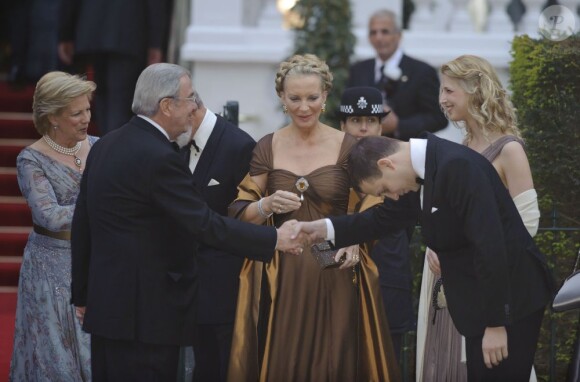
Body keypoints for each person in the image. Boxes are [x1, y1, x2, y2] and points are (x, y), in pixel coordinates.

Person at [70, 63, 304, 381]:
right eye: (189, 98)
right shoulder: (160, 157)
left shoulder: (106, 145)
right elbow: (204, 223)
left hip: (107, 310)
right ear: (167, 105)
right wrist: (274, 239)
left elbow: (84, 225)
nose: (195, 106)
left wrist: (82, 294)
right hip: (148, 316)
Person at [294, 133, 555, 381]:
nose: (390, 196)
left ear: (387, 164)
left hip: (512, 300)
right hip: (483, 303)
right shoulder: (419, 169)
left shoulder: (456, 166)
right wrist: (323, 229)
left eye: (383, 189)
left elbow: (490, 244)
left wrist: (497, 323)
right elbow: (385, 218)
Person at [227, 54, 400, 382]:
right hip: (281, 274)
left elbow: (377, 198)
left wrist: (355, 238)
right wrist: (266, 205)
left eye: (312, 98)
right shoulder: (268, 146)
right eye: (295, 98)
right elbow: (239, 210)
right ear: (282, 98)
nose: (303, 107)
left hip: (335, 266)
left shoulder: (347, 147)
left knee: (335, 358)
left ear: (325, 98)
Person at [416, 54, 542, 381]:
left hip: (492, 288)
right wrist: (437, 246)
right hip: (457, 288)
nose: (441, 100)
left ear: (476, 90)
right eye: (441, 92)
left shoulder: (509, 149)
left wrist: (461, 255)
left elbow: (527, 224)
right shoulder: (466, 143)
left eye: (449, 91)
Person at [9, 71, 97, 381]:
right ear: (53, 117)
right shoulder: (30, 159)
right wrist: (104, 206)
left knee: (95, 348)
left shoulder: (99, 148)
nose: (86, 118)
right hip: (51, 265)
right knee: (54, 351)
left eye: (87, 109)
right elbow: (49, 215)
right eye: (77, 113)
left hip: (96, 260)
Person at [180, 93, 256, 382]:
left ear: (191, 108)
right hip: (188, 284)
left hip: (225, 286)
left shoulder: (239, 145)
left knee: (226, 366)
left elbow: (242, 217)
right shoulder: (174, 141)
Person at [339, 86, 415, 361]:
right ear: (342, 126)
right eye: (356, 121)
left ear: (381, 127)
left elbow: (406, 226)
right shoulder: (328, 174)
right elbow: (318, 233)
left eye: (370, 121)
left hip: (386, 283)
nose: (363, 129)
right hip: (337, 285)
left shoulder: (402, 169)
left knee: (387, 364)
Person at [58, 0, 168, 135]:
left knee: (103, 98)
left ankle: (106, 147)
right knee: (119, 103)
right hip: (129, 32)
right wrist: (155, 43)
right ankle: (113, 151)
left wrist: (65, 33)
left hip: (93, 29)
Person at [347, 9, 447, 140]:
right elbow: (347, 109)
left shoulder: (422, 71)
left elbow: (438, 118)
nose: (378, 37)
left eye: (385, 31)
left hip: (406, 151)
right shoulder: (358, 69)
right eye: (373, 32)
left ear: (399, 35)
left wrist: (399, 125)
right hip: (363, 149)